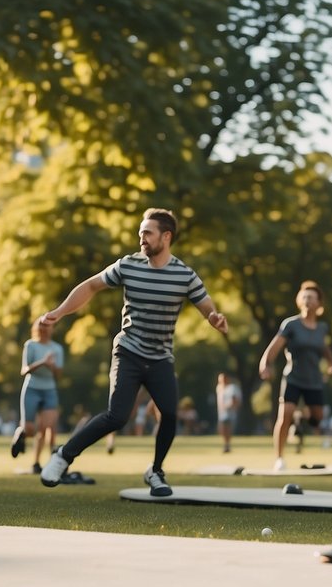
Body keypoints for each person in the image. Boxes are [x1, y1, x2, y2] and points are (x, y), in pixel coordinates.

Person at [36, 208, 228, 495]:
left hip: (161, 356)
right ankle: (63, 456)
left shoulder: (184, 275)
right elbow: (91, 285)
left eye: (147, 233)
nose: (142, 239)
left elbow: (206, 305)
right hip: (128, 351)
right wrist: (61, 312)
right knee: (117, 416)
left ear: (166, 236)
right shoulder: (128, 265)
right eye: (140, 233)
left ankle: (156, 471)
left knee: (170, 415)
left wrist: (213, 318)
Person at [259, 281, 332, 470]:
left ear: (319, 303)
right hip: (293, 378)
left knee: (317, 418)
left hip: (314, 380)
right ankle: (279, 457)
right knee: (284, 414)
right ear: (298, 301)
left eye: (311, 297)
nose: (307, 300)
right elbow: (274, 347)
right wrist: (266, 364)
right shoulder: (291, 325)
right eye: (304, 296)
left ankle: (299, 420)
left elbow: (324, 347)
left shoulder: (322, 328)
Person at [10, 318, 65, 474]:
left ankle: (37, 463)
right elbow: (24, 370)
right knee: (30, 430)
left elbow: (59, 375)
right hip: (32, 388)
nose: (44, 329)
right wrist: (43, 362)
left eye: (47, 326)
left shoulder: (57, 349)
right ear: (36, 328)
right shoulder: (30, 345)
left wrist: (52, 365)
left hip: (49, 390)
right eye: (41, 326)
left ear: (52, 328)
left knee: (45, 427)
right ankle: (20, 433)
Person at [215, 372, 242, 453]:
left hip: (229, 413)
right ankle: (226, 444)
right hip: (221, 413)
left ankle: (227, 445)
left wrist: (227, 406)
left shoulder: (232, 388)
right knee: (221, 430)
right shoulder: (219, 388)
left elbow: (234, 400)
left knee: (227, 430)